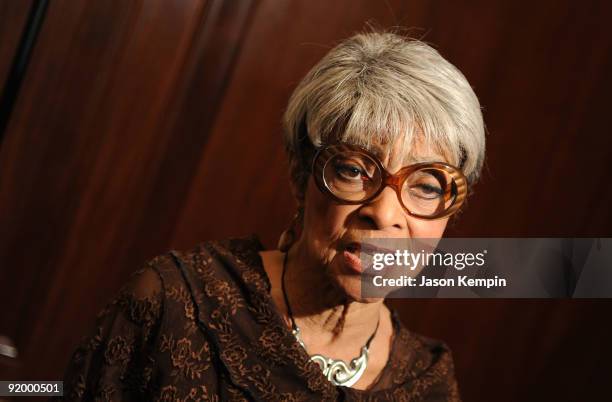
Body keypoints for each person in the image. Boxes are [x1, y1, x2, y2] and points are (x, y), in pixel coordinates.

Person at [59, 30, 485, 401]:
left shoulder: (428, 383)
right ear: (302, 175)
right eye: (354, 170)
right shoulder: (173, 306)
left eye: (427, 186)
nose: (384, 213)